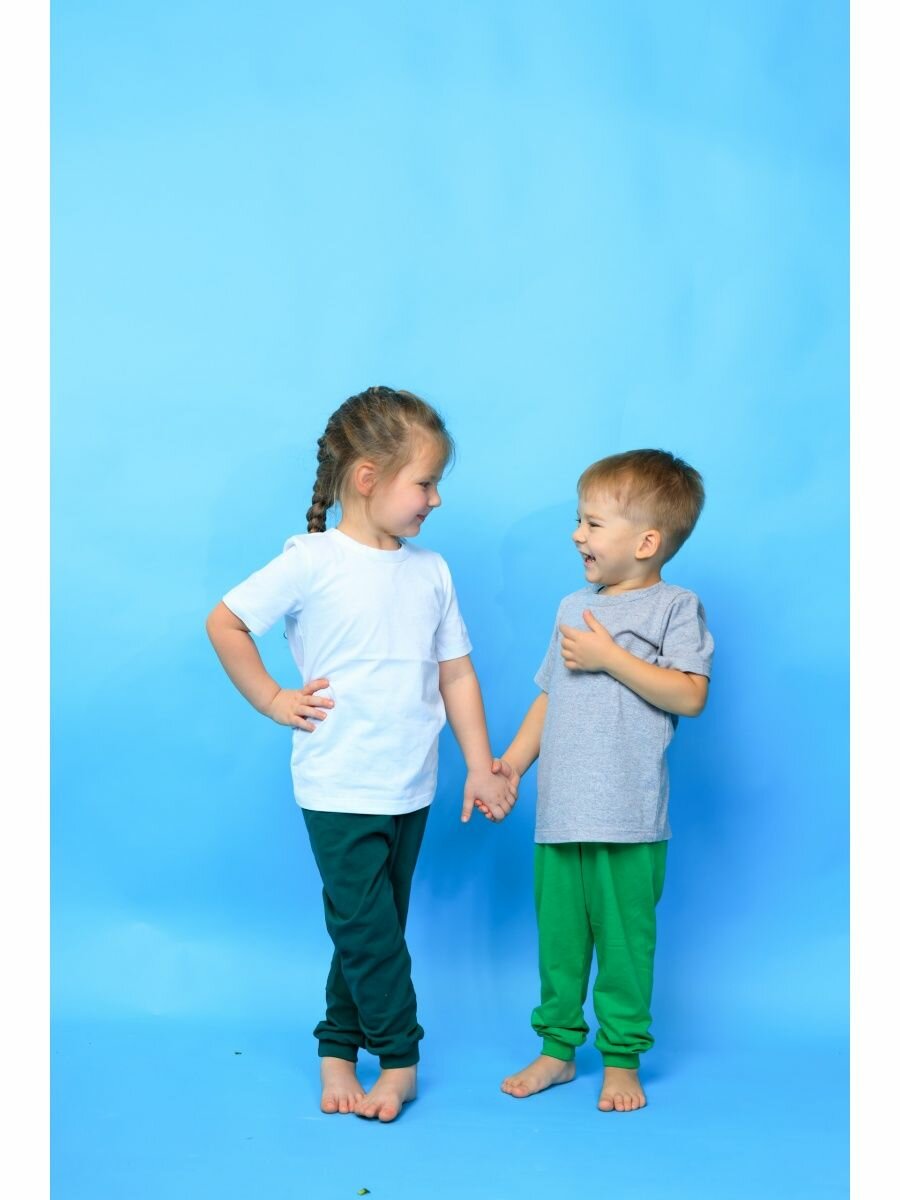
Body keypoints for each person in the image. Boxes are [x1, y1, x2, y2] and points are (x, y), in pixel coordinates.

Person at [206, 386, 514, 1123]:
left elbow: (456, 674)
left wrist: (480, 765)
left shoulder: (431, 571)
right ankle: (400, 1059)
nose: (436, 500)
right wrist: (273, 699)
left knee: (372, 929)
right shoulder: (311, 561)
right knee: (370, 932)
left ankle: (337, 1047)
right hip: (339, 785)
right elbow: (226, 622)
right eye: (426, 483)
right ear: (369, 478)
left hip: (411, 786)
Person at [488, 449, 714, 1113]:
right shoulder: (571, 606)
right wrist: (511, 764)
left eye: (592, 524)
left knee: (623, 946)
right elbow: (549, 696)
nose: (576, 535)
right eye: (578, 520)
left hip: (628, 818)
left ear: (646, 543)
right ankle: (557, 1051)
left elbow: (690, 694)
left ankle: (621, 1059)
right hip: (561, 813)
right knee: (559, 946)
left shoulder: (675, 607)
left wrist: (610, 657)